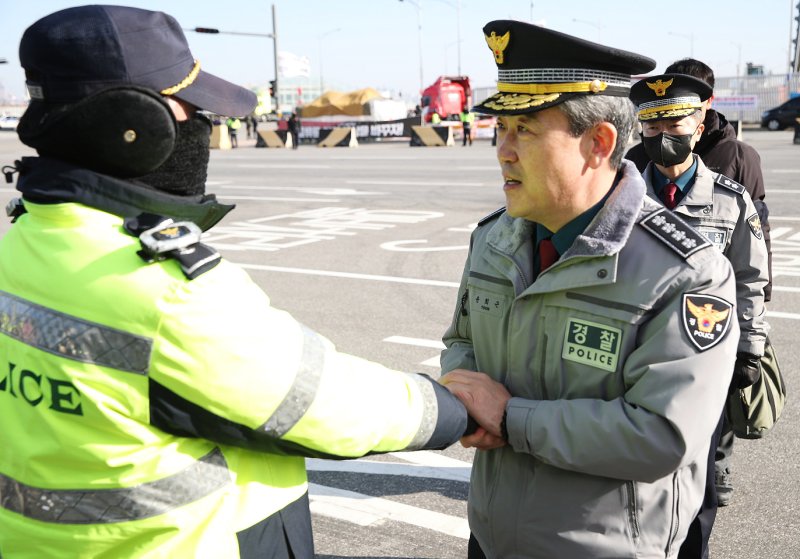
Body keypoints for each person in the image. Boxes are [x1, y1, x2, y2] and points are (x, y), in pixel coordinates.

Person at [0, 6, 471, 558]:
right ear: (130, 129)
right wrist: (452, 407)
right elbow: (321, 403)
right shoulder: (162, 289)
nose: (203, 125)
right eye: (189, 110)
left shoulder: (22, 246)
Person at [439, 20, 740, 558]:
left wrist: (509, 418)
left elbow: (661, 434)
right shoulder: (493, 241)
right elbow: (461, 342)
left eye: (524, 130)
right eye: (499, 129)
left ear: (598, 143)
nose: (502, 151)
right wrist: (468, 397)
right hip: (490, 538)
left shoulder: (685, 271)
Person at [629, 73, 769, 559]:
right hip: (633, 364)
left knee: (698, 486)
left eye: (675, 119)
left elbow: (750, 279)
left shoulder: (731, 200)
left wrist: (749, 348)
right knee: (630, 481)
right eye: (651, 122)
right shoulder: (619, 197)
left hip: (703, 365)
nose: (663, 131)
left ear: (701, 121)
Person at [625, 58, 773, 303]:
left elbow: (750, 278)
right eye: (652, 128)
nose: (663, 137)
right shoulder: (623, 193)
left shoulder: (733, 197)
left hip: (707, 324)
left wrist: (751, 336)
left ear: (697, 132)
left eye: (675, 126)